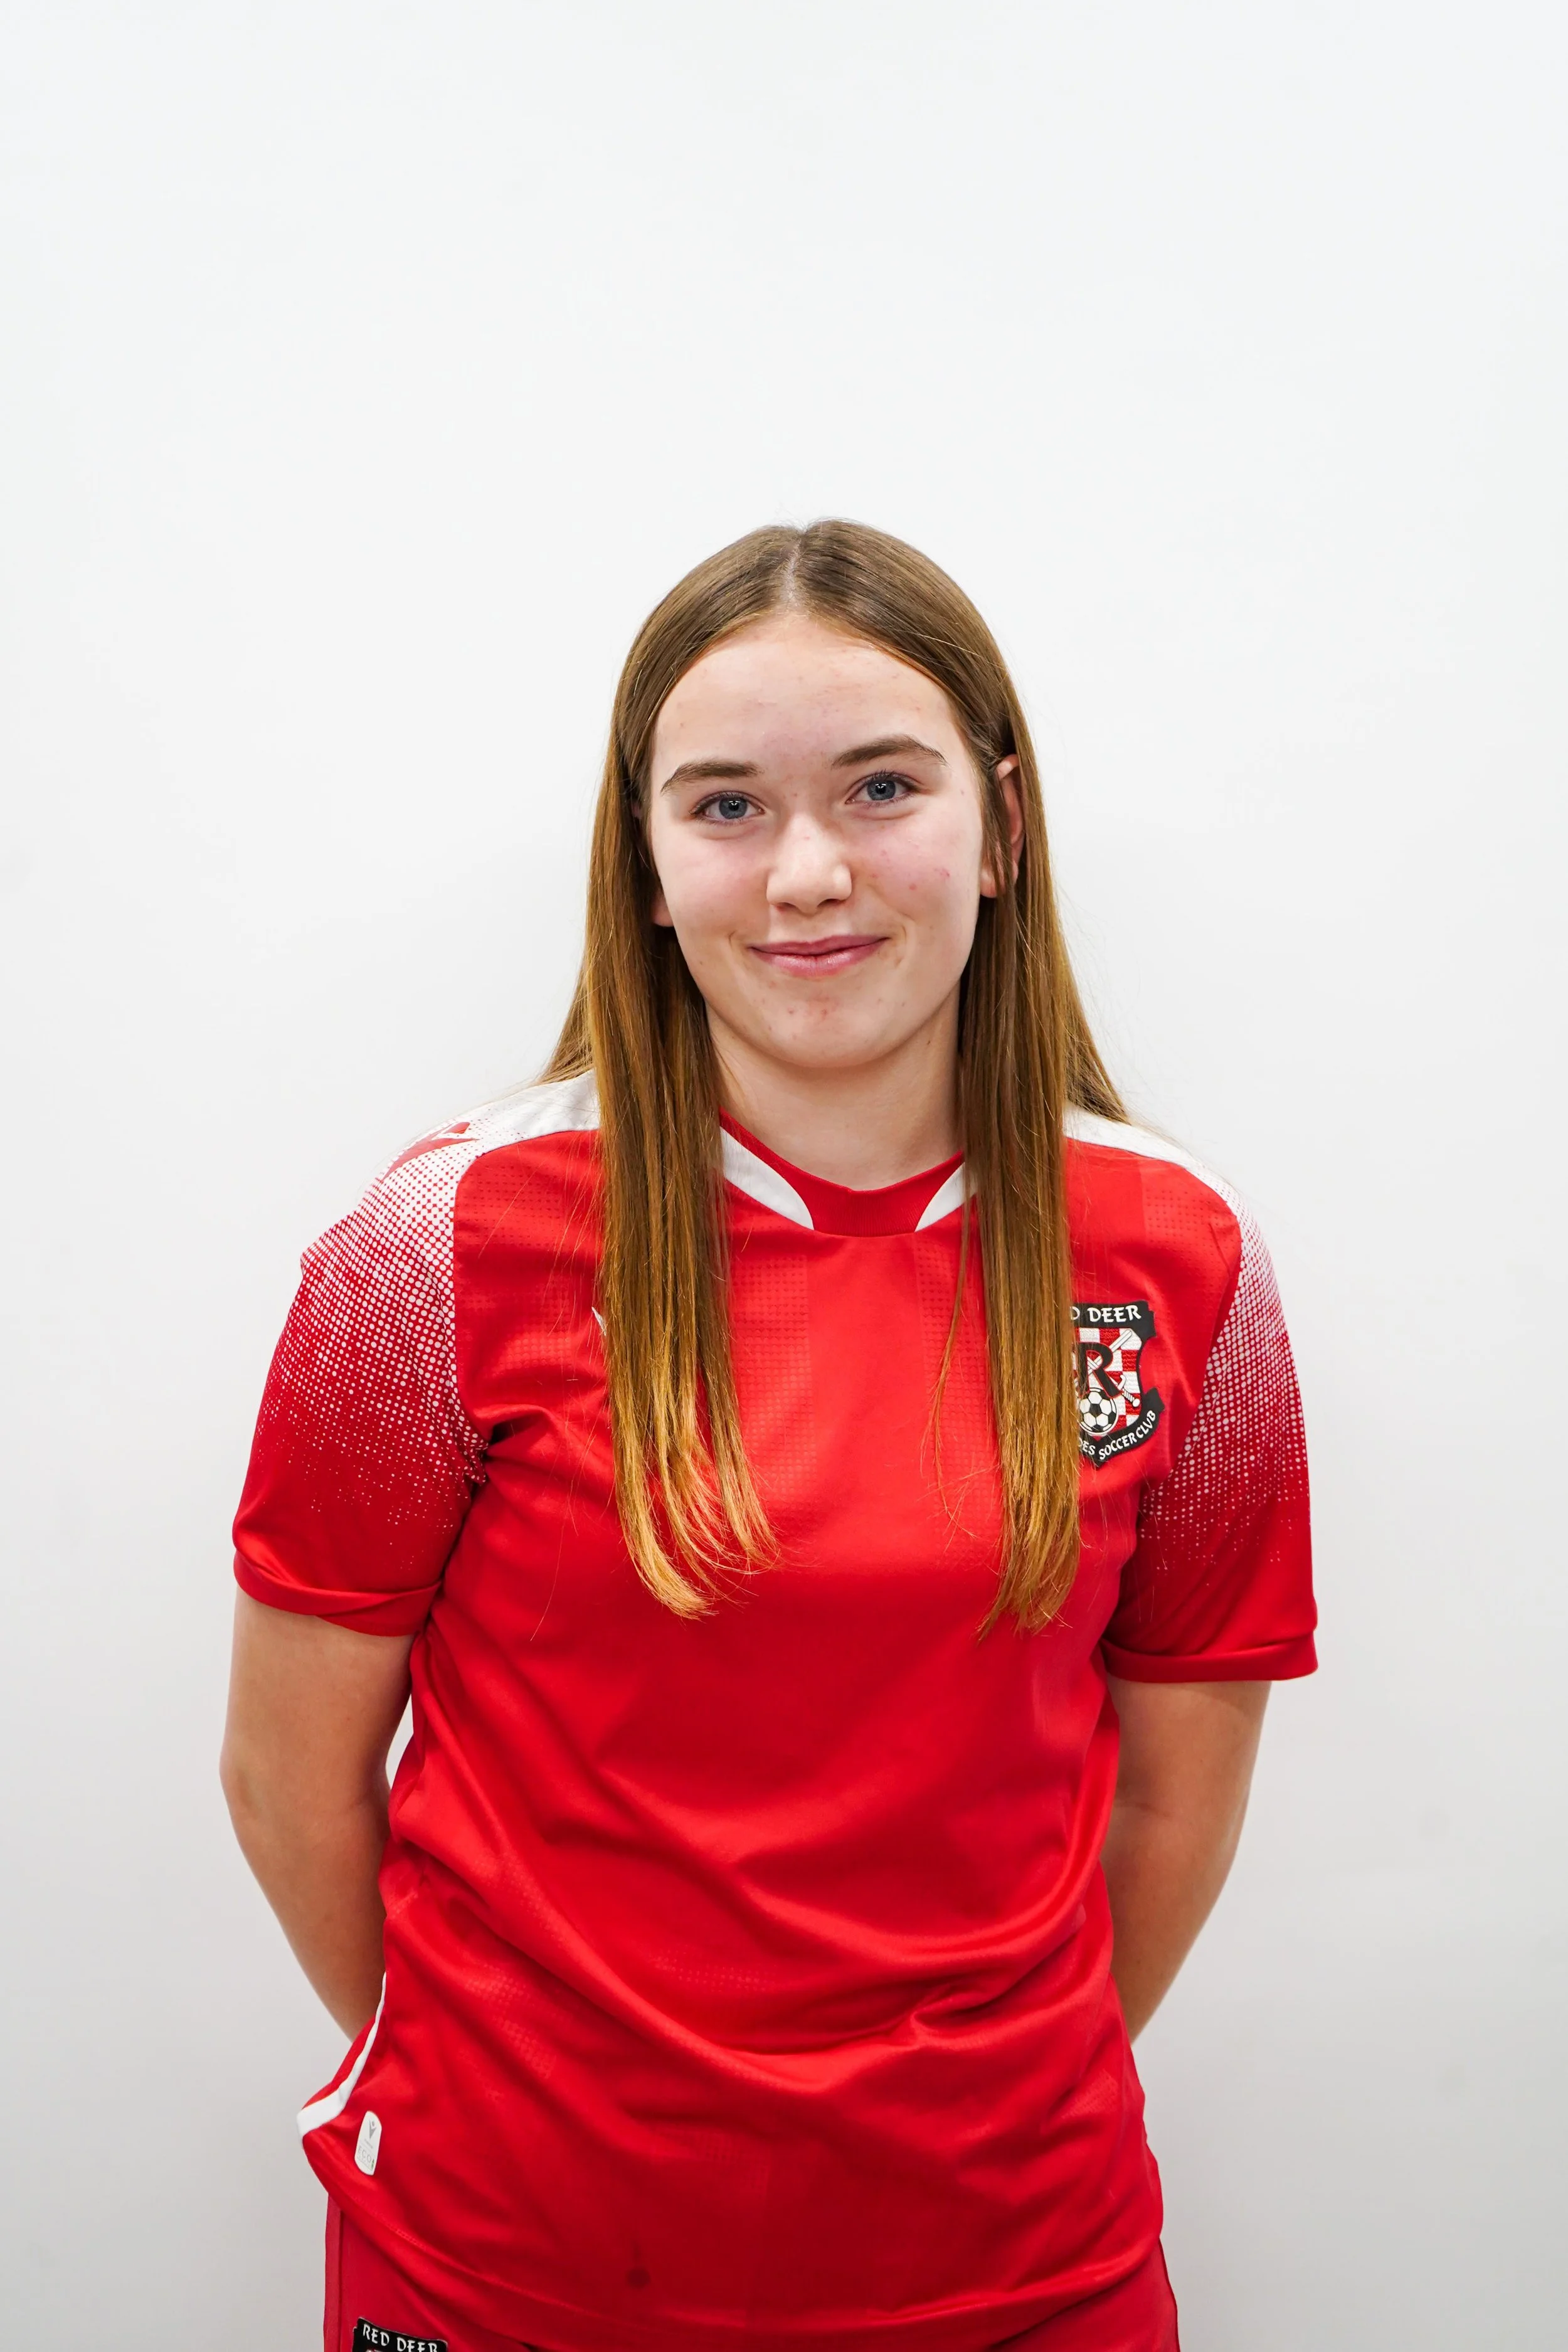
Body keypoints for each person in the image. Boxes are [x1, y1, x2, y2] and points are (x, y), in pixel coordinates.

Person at [221, 520, 1315, 2352]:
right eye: (723, 805)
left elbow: (1177, 1792)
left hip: (1020, 2269)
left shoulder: (1180, 1256)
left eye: (879, 787)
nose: (807, 871)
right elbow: (286, 1780)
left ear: (1001, 819)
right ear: (643, 865)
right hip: (511, 2269)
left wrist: (938, 2116)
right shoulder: (438, 1244)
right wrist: (531, 2095)